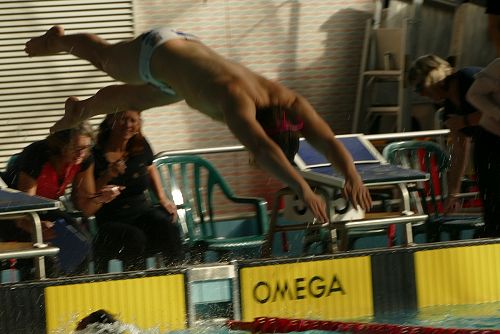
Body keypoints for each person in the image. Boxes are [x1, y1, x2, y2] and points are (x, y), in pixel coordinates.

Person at [25, 26, 372, 223]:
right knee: (106, 58)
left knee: (134, 99)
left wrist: (352, 176)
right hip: (158, 50)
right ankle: (59, 40)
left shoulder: (289, 103)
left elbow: (327, 140)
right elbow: (266, 150)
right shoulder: (238, 103)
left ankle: (80, 110)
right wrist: (304, 189)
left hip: (180, 74)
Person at [72, 110, 184, 272]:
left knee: (167, 228)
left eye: (133, 121)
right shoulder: (94, 154)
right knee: (134, 237)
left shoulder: (141, 146)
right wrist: (107, 175)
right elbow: (87, 197)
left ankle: (177, 275)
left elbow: (150, 168)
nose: (128, 125)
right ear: (111, 121)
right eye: (123, 119)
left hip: (141, 212)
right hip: (110, 218)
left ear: (139, 124)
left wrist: (162, 197)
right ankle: (134, 282)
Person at [408, 54, 499, 237]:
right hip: (486, 155)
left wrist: (463, 121)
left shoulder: (467, 78)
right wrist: (453, 194)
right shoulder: (448, 110)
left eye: (420, 87)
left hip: (495, 144)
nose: (421, 94)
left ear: (431, 77)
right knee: (493, 213)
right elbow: (459, 150)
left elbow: (492, 112)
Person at [0, 123, 101, 276]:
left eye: (86, 147)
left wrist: (100, 198)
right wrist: (38, 227)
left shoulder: (85, 158)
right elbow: (22, 210)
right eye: (76, 148)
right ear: (62, 145)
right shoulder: (37, 155)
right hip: (13, 215)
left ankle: (78, 286)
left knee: (82, 240)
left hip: (45, 210)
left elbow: (85, 207)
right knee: (46, 253)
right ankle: (41, 291)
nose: (81, 153)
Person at [464, 58, 500, 237]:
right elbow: (474, 94)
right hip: (492, 142)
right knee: (495, 206)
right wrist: (496, 112)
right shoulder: (498, 66)